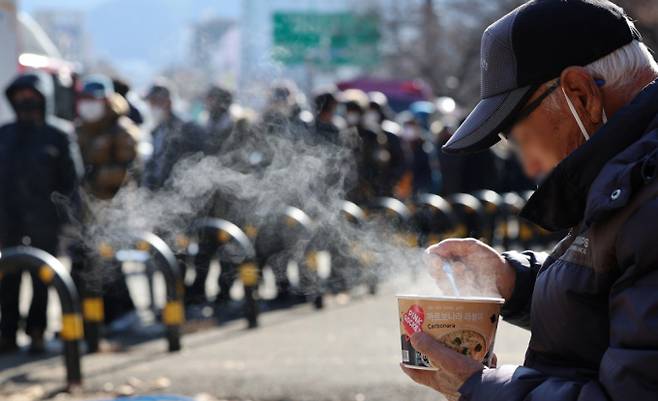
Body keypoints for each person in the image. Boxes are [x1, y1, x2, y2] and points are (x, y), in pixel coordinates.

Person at [401, 1, 658, 401]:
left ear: (580, 94)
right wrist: (513, 281)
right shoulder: (628, 173)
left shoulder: (647, 191)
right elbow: (618, 282)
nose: (528, 163)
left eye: (517, 136)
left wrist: (478, 386)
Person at [0, 71, 82, 353]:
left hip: (45, 222)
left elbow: (72, 182)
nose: (25, 101)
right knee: (8, 278)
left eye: (31, 96)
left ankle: (37, 331)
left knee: (42, 279)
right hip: (9, 222)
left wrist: (70, 222)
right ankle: (7, 333)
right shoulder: (5, 134)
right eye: (20, 97)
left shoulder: (58, 134)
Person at [74, 74, 140, 331]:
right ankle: (89, 318)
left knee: (110, 263)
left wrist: (96, 176)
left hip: (112, 206)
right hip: (85, 208)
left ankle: (122, 313)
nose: (90, 104)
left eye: (95, 99)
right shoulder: (80, 128)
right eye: (86, 99)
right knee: (83, 264)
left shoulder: (121, 129)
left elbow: (128, 171)